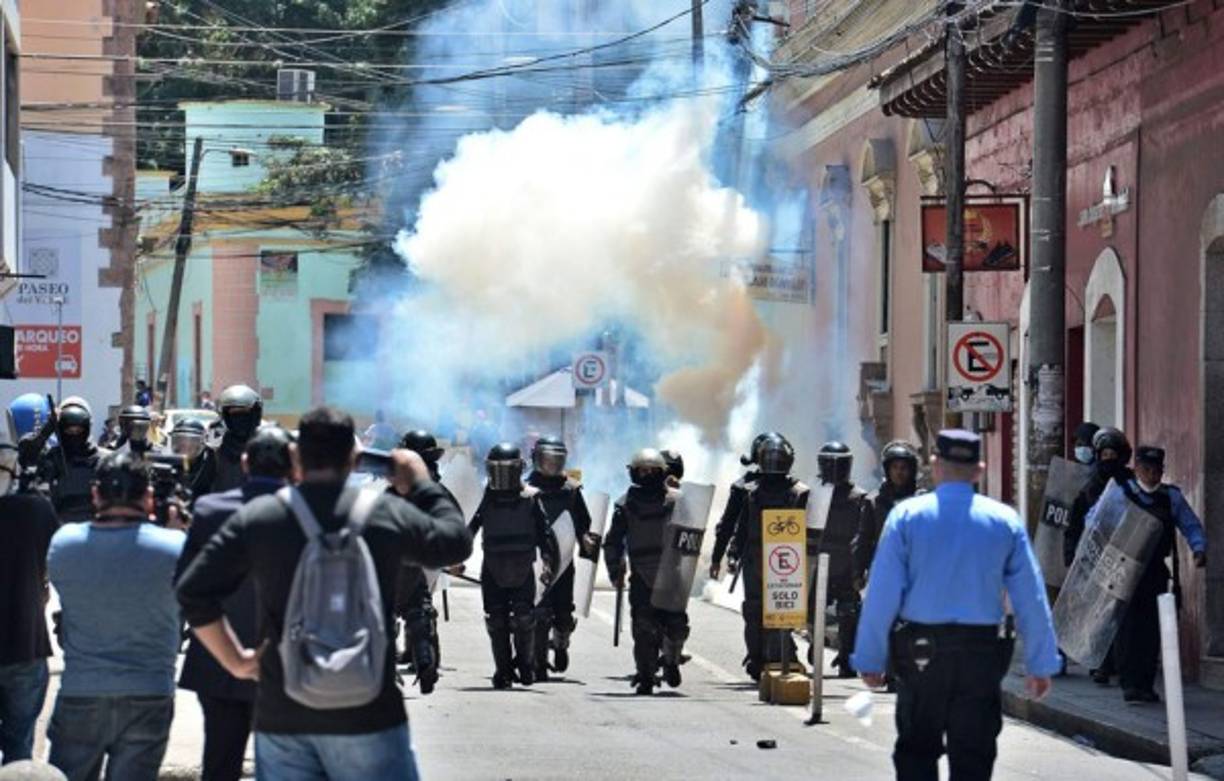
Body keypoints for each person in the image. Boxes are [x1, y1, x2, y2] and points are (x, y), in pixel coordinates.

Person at [177, 406, 471, 781]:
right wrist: (421, 483)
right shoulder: (383, 513)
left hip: (284, 713)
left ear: (296, 457)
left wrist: (236, 661)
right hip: (370, 711)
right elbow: (455, 543)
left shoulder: (263, 517)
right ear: (354, 459)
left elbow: (193, 592)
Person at [853, 430, 1059, 781]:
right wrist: (1041, 662)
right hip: (981, 654)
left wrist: (870, 658)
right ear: (979, 470)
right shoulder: (1004, 521)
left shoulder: (906, 517)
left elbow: (882, 594)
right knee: (973, 756)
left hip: (921, 652)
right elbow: (1031, 596)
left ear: (935, 466)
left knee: (917, 753)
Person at [46, 452, 185, 780]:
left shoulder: (64, 544)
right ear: (148, 497)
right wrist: (177, 530)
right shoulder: (176, 547)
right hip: (150, 690)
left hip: (81, 689)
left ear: (96, 495)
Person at [175, 427, 293, 781]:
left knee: (220, 762)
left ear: (244, 462)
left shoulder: (209, 510)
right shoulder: (309, 512)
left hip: (218, 658)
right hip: (287, 662)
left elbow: (185, 585)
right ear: (293, 465)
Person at [1106, 446, 1206, 704]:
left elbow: (1190, 525)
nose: (1152, 475)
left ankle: (1145, 684)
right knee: (1128, 628)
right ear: (1137, 469)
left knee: (1152, 629)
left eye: (1157, 471)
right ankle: (1130, 684)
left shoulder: (1170, 497)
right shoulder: (1122, 493)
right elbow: (1096, 521)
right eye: (1147, 469)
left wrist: (1198, 548)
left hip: (1154, 572)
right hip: (1125, 569)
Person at [461, 443, 557, 689]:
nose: (501, 475)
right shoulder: (486, 497)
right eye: (497, 469)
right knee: (496, 620)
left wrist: (548, 562)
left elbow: (545, 534)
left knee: (524, 618)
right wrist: (457, 556)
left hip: (523, 565)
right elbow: (471, 529)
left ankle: (525, 665)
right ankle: (503, 671)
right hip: (493, 565)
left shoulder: (531, 497)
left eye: (506, 469)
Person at [603, 449, 689, 695]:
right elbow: (613, 541)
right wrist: (614, 569)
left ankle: (671, 660)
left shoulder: (676, 501)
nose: (648, 475)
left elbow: (690, 532)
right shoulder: (625, 504)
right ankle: (645, 675)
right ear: (634, 473)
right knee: (644, 629)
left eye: (653, 471)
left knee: (677, 627)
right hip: (641, 573)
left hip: (671, 573)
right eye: (642, 471)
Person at [729, 432, 809, 681]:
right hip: (755, 558)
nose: (774, 464)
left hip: (788, 562)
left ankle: (784, 654)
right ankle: (756, 657)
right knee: (754, 611)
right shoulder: (751, 492)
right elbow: (741, 527)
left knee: (784, 609)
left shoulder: (799, 492)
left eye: (779, 458)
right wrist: (732, 553)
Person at [0, 432, 59, 764]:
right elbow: (60, 563)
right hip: (24, 646)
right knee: (19, 749)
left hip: (26, 649)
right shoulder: (37, 510)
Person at [1063, 426, 1133, 685]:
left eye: (1113, 454)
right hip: (1095, 557)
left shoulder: (1132, 485)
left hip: (1126, 557)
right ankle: (1101, 663)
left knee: (1122, 615)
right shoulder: (1088, 488)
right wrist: (1071, 555)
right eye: (1104, 455)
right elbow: (1074, 526)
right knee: (1097, 612)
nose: (1108, 460)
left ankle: (1123, 663)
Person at [390, 429, 455, 695]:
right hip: (426, 558)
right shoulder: (437, 491)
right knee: (419, 613)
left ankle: (387, 669)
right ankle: (426, 662)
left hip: (397, 560)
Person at [525, 437, 595, 681]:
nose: (552, 465)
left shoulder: (571, 490)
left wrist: (585, 538)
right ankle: (538, 663)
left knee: (564, 614)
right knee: (539, 612)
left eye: (557, 460)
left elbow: (583, 522)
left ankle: (561, 643)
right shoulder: (527, 488)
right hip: (538, 559)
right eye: (548, 460)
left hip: (564, 560)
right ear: (537, 459)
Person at [812, 441, 873, 678]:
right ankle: (814, 643)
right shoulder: (813, 495)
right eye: (830, 464)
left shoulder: (859, 498)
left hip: (847, 565)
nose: (834, 469)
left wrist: (860, 569)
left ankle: (847, 658)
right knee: (811, 610)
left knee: (850, 614)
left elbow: (864, 536)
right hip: (819, 565)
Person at [854, 440, 921, 583]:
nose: (899, 472)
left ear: (911, 470)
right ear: (887, 470)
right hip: (884, 570)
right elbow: (864, 539)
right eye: (895, 467)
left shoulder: (922, 501)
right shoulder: (874, 501)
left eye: (904, 468)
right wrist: (858, 572)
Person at [708, 433, 768, 581]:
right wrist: (717, 559)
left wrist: (716, 560)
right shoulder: (743, 487)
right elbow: (727, 525)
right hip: (750, 560)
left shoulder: (795, 490)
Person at [39, 399, 108, 523]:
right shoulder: (52, 457)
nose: (74, 435)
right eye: (69, 431)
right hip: (60, 524)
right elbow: (26, 459)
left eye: (78, 431)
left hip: (97, 525)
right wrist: (45, 432)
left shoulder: (105, 459)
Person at [209, 385, 263, 493]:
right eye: (234, 413)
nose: (239, 418)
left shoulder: (263, 445)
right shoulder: (216, 446)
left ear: (254, 414)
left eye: (244, 412)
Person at [169, 418, 217, 499]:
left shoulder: (211, 462)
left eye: (192, 442)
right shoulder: (167, 463)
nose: (186, 447)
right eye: (180, 442)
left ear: (202, 443)